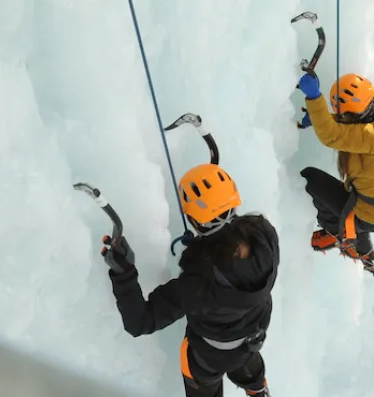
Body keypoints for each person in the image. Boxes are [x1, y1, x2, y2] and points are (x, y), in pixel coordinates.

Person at [102, 162, 278, 397]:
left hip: (210, 356)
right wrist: (206, 245)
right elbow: (231, 249)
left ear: (196, 222)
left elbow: (139, 322)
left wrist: (123, 273)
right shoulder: (266, 236)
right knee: (245, 362)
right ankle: (257, 390)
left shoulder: (197, 283)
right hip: (252, 337)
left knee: (205, 371)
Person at [295, 71, 374, 273]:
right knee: (341, 199)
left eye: (343, 115)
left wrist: (314, 98)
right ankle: (361, 248)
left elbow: (334, 135)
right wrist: (320, 118)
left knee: (310, 178)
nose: (341, 118)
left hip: (371, 215)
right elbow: (351, 129)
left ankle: (337, 234)